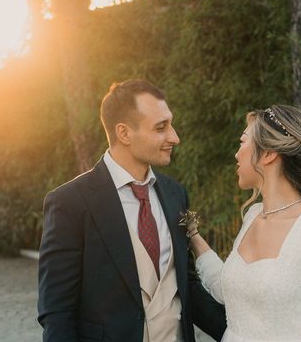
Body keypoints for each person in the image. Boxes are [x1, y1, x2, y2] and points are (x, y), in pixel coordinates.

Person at [37, 80, 227, 342]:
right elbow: (57, 311)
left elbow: (186, 284)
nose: (174, 137)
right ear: (124, 133)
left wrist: (239, 334)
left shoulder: (175, 194)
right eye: (161, 128)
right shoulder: (71, 202)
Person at [187, 105, 301, 342]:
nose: (236, 154)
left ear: (269, 153)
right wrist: (193, 237)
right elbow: (233, 292)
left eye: (242, 142)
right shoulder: (253, 216)